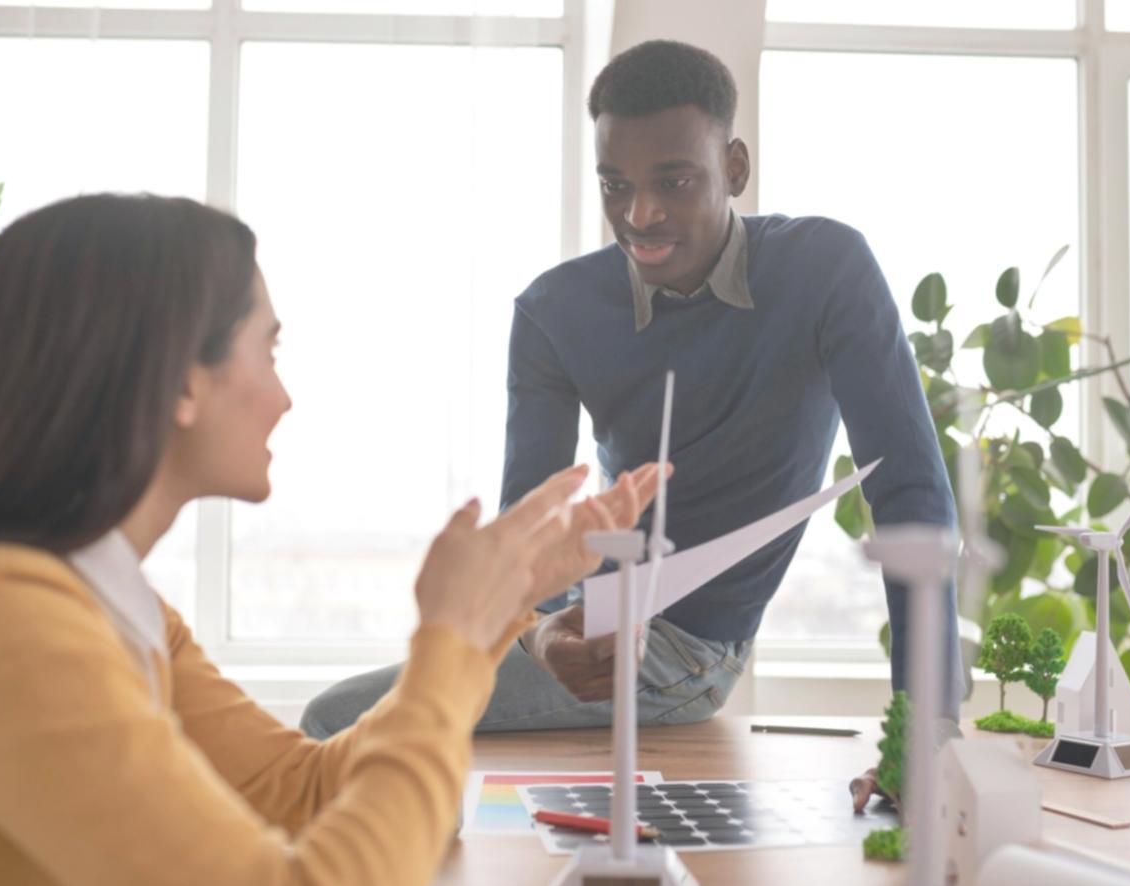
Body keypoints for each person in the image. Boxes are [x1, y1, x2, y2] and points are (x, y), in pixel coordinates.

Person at [0, 194, 659, 886]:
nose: (284, 398)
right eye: (269, 350)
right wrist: (448, 642)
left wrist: (489, 617)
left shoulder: (104, 607)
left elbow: (303, 792)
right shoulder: (2, 624)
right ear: (182, 381)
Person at [302, 39, 961, 740]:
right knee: (348, 724)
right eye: (616, 184)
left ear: (734, 169)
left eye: (673, 182)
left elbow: (912, 495)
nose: (639, 214)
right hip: (586, 629)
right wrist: (547, 633)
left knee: (333, 722)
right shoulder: (552, 313)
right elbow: (535, 532)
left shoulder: (826, 270)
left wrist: (925, 740)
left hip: (687, 651)